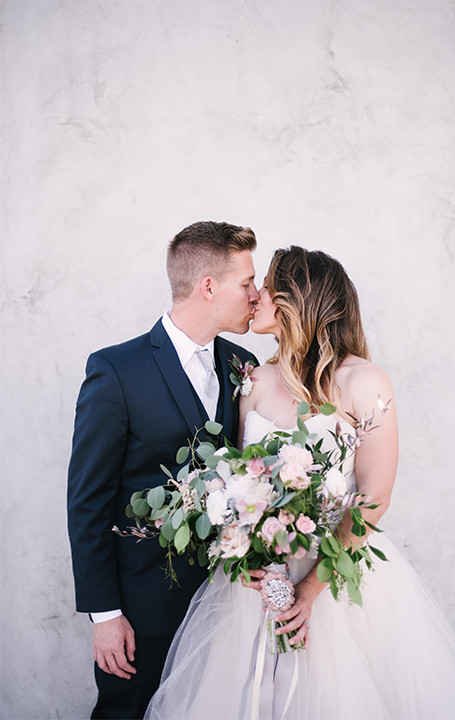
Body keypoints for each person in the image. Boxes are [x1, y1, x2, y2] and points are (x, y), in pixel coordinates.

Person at [145, 246, 455, 719]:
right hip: (258, 587)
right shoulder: (254, 379)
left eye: (266, 286)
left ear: (296, 298)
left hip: (333, 577)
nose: (255, 295)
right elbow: (241, 479)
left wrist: (310, 592)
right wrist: (248, 562)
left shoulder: (365, 381)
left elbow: (374, 497)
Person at [67, 221, 260, 720]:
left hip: (224, 602)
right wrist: (104, 614)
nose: (257, 295)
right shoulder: (116, 370)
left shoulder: (243, 363)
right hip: (142, 607)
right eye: (247, 283)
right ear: (209, 286)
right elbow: (87, 501)